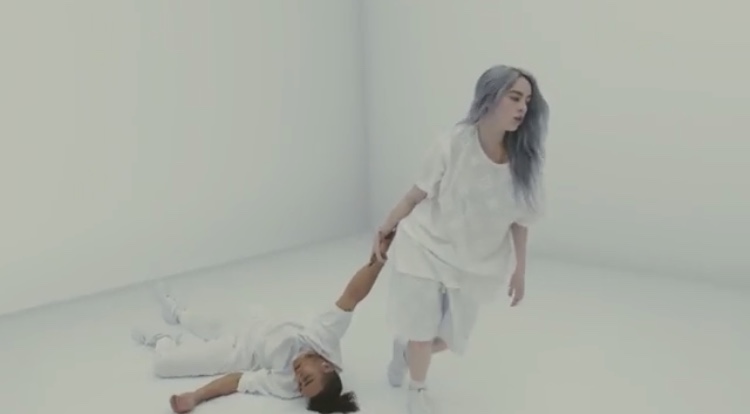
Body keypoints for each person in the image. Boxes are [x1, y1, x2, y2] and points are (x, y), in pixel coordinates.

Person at [372, 65, 550, 414]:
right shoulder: (452, 144)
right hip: (426, 246)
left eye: (527, 101)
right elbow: (414, 195)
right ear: (490, 97)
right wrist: (385, 228)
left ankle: (404, 353)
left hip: (477, 261)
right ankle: (417, 391)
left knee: (450, 338)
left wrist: (520, 270)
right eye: (515, 97)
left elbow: (520, 222)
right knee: (422, 328)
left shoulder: (524, 162)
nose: (522, 108)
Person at [131, 230, 395, 414]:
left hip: (237, 352)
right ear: (326, 365)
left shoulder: (286, 385)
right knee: (189, 319)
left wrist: (195, 397)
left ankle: (163, 339)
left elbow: (236, 381)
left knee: (163, 365)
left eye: (301, 385)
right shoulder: (323, 337)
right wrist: (380, 258)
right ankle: (176, 312)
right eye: (307, 378)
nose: (298, 378)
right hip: (246, 321)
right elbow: (353, 295)